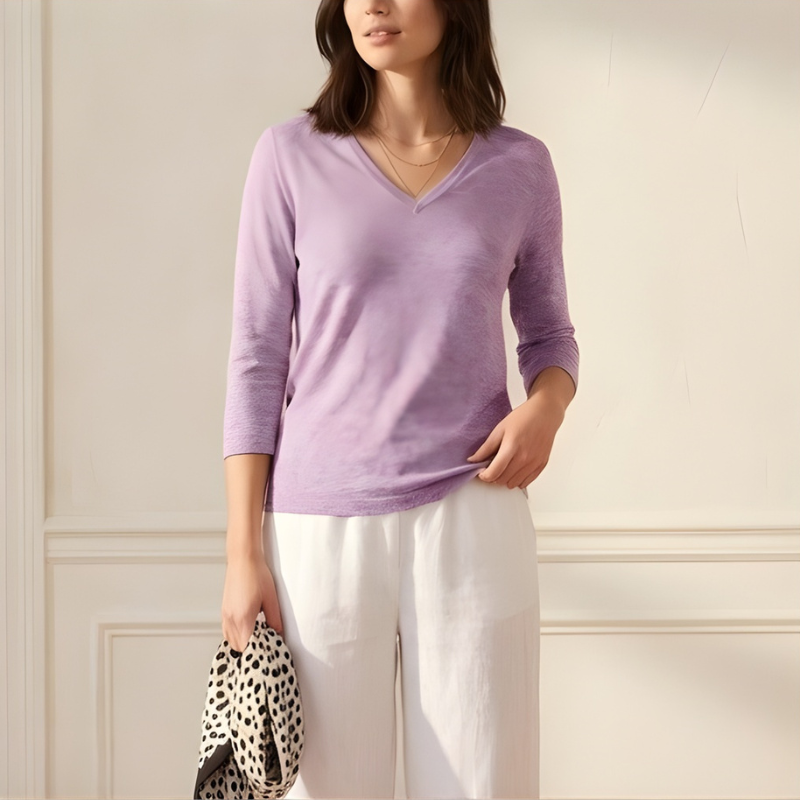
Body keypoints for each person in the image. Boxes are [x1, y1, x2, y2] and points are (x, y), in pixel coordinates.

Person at [220, 0, 579, 797]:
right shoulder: (289, 157)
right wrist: (243, 555)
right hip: (318, 532)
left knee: (483, 784)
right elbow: (255, 361)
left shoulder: (520, 167)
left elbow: (550, 336)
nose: (373, 5)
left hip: (473, 514)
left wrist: (546, 409)